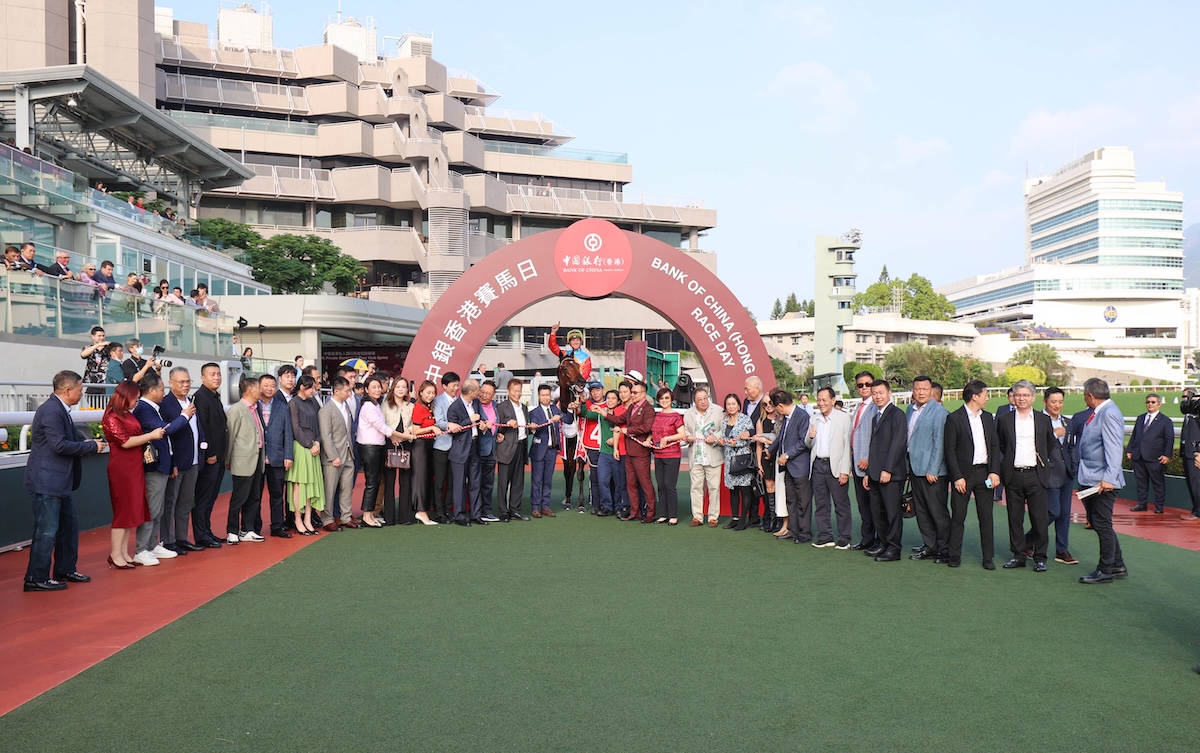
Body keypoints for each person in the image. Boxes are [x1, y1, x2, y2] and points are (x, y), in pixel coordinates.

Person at [23, 371, 107, 590]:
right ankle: (36, 578)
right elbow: (58, 445)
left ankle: (64, 569)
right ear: (67, 390)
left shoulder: (59, 409)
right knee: (47, 531)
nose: (82, 393)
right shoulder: (51, 411)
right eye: (80, 389)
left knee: (68, 528)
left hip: (58, 482)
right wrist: (90, 446)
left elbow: (65, 440)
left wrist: (87, 442)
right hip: (47, 482)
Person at [995, 379, 1062, 573]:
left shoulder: (1043, 420)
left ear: (1033, 397)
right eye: (1018, 395)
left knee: (1039, 518)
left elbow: (1049, 444)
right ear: (1013, 397)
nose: (1021, 398)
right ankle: (1018, 555)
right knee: (1014, 518)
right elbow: (1000, 445)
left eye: (1025, 395)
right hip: (1013, 475)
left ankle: (1040, 557)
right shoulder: (1005, 419)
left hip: (1036, 474)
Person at [132, 372, 191, 565]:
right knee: (152, 508)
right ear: (151, 390)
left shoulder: (153, 408)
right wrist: (184, 416)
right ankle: (141, 549)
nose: (162, 392)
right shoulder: (143, 409)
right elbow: (163, 430)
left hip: (164, 464)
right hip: (154, 466)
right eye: (161, 388)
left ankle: (152, 544)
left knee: (158, 508)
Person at [943, 380, 1001, 570]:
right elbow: (949, 450)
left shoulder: (988, 418)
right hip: (963, 476)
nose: (987, 398)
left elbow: (994, 445)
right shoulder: (954, 418)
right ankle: (954, 555)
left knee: (986, 517)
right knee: (958, 516)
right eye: (985, 394)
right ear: (975, 396)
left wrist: (994, 471)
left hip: (984, 473)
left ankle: (988, 558)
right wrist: (957, 476)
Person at [1076, 378, 1128, 584]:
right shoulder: (1102, 412)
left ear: (1090, 395)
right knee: (1099, 522)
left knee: (1102, 523)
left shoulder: (1109, 414)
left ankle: (1105, 569)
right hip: (1093, 477)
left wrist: (1109, 478)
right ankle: (1117, 564)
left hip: (1102, 481)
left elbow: (1115, 448)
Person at [905, 375, 950, 562]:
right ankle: (930, 545)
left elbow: (939, 443)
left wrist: (933, 468)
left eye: (925, 389)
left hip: (933, 472)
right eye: (917, 389)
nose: (921, 392)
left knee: (937, 512)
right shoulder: (910, 409)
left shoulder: (939, 412)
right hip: (915, 469)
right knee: (922, 511)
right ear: (913, 391)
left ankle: (945, 549)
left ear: (931, 391)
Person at [862, 379, 907, 562]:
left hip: (891, 474)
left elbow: (898, 444)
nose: (878, 396)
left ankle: (894, 549)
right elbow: (874, 447)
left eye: (881, 392)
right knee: (877, 512)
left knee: (892, 512)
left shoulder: (897, 415)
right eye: (875, 393)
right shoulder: (876, 417)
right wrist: (868, 472)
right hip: (874, 474)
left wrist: (887, 469)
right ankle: (883, 544)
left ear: (889, 393)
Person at [160, 367, 203, 555]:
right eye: (181, 382)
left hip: (193, 461)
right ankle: (168, 541)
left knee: (186, 502)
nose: (186, 385)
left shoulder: (191, 401)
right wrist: (172, 462)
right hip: (176, 462)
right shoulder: (165, 404)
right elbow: (167, 433)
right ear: (171, 383)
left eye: (188, 381)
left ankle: (182, 538)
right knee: (170, 502)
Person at [805, 386, 853, 549]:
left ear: (833, 400)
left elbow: (847, 446)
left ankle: (844, 537)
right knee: (821, 503)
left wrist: (845, 470)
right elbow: (808, 443)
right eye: (819, 400)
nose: (821, 403)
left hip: (837, 466)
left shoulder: (843, 418)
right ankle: (825, 536)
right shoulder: (814, 418)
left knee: (841, 503)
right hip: (818, 464)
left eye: (824, 400)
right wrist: (810, 437)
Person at [355, 376, 407, 528]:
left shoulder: (376, 404)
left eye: (379, 387)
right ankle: (366, 515)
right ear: (366, 390)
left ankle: (370, 514)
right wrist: (404, 436)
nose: (377, 390)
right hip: (369, 447)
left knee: (376, 481)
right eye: (373, 387)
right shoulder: (368, 407)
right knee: (372, 482)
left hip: (377, 446)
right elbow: (382, 427)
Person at [606, 372, 657, 523]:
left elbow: (647, 427)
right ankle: (635, 512)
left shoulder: (648, 409)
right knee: (631, 483)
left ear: (643, 393)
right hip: (630, 451)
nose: (632, 395)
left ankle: (650, 513)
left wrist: (627, 431)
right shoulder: (632, 408)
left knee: (645, 483)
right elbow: (619, 419)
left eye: (635, 392)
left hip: (641, 451)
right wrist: (603, 413)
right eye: (632, 392)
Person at [1039, 387, 1078, 564]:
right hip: (1048, 473)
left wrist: (1073, 465)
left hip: (1066, 473)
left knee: (1064, 514)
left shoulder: (1068, 422)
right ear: (1045, 402)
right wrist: (1053, 435)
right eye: (1053, 401)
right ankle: (1030, 538)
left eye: (1060, 402)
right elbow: (1035, 446)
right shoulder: (1037, 420)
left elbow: (1070, 446)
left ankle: (1062, 550)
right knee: (1053, 511)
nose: (1057, 405)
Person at [225, 376, 266, 544]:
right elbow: (231, 436)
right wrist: (228, 460)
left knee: (254, 496)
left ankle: (247, 529)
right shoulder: (237, 409)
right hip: (242, 460)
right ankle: (232, 531)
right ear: (250, 390)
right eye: (259, 388)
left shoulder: (255, 408)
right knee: (239, 497)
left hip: (257, 459)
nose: (261, 391)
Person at [767, 389, 812, 539]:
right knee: (791, 500)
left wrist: (786, 455)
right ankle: (793, 530)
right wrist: (771, 450)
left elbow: (803, 442)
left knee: (803, 502)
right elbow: (782, 437)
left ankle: (804, 532)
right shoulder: (787, 417)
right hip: (788, 467)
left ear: (779, 405)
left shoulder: (802, 416)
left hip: (799, 466)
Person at [192, 363, 228, 548]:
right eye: (212, 374)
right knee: (203, 497)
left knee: (212, 497)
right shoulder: (200, 397)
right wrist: (210, 453)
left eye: (218, 374)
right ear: (202, 377)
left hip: (220, 456)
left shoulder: (214, 396)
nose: (216, 377)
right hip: (210, 457)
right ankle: (201, 535)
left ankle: (207, 531)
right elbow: (203, 427)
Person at [286, 375, 325, 535]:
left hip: (313, 446)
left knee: (311, 485)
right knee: (299, 486)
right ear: (302, 387)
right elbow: (295, 428)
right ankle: (298, 519)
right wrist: (310, 444)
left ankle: (308, 519)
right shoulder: (293, 403)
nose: (314, 390)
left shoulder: (313, 402)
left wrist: (317, 442)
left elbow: (317, 425)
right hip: (301, 448)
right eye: (311, 387)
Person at [318, 376, 359, 531]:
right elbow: (325, 435)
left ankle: (345, 517)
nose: (349, 393)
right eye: (347, 390)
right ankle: (327, 518)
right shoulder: (326, 410)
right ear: (336, 391)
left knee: (347, 488)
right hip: (333, 456)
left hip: (348, 453)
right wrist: (332, 455)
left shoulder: (346, 407)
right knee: (330, 489)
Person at [1126, 392, 1174, 514]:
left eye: (1153, 402)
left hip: (1155, 457)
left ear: (1159, 404)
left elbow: (1169, 439)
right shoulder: (1140, 418)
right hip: (1138, 455)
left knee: (1158, 483)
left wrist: (1167, 455)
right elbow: (1135, 435)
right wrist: (1129, 449)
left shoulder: (1166, 421)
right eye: (1148, 402)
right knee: (1141, 483)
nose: (1150, 404)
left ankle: (1159, 506)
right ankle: (1142, 504)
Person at [258, 373, 294, 538]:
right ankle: (252, 527)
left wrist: (288, 456)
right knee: (254, 495)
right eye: (266, 385)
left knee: (277, 494)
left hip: (277, 457)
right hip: (257, 459)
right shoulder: (253, 406)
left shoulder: (282, 406)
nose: (269, 388)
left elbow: (288, 433)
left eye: (272, 386)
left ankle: (277, 526)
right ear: (259, 387)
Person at [447, 379, 486, 525]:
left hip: (475, 447)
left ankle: (476, 514)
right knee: (459, 485)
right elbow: (454, 431)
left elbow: (480, 419)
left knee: (475, 482)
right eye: (478, 390)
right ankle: (460, 516)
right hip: (460, 450)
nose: (480, 393)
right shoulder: (454, 407)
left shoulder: (476, 403)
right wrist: (470, 420)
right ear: (470, 392)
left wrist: (483, 425)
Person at [683, 387, 724, 527]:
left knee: (714, 488)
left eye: (705, 398)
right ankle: (697, 517)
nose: (703, 402)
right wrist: (687, 437)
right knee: (695, 488)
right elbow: (685, 431)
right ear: (694, 401)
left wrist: (715, 437)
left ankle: (713, 517)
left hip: (713, 455)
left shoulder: (718, 411)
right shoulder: (688, 414)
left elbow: (723, 430)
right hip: (696, 455)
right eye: (699, 399)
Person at [848, 371, 880, 551]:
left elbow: (876, 438)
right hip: (857, 465)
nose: (864, 388)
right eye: (860, 385)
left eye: (868, 384)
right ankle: (867, 538)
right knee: (863, 506)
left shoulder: (876, 407)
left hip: (869, 465)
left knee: (875, 506)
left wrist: (868, 459)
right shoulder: (858, 407)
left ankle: (877, 539)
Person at [381, 377, 418, 525]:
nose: (401, 389)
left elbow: (414, 423)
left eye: (404, 387)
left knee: (406, 480)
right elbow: (381, 423)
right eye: (398, 387)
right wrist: (392, 437)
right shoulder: (385, 404)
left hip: (406, 444)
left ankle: (405, 517)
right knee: (389, 481)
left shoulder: (410, 406)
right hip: (390, 443)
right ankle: (389, 517)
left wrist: (407, 433)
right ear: (393, 388)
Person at [495, 378, 532, 521]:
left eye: (519, 391)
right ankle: (503, 511)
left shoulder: (524, 407)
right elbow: (496, 425)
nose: (517, 393)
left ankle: (515, 510)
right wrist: (505, 424)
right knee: (503, 482)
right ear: (508, 391)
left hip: (521, 447)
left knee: (518, 481)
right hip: (506, 448)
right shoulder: (501, 407)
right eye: (515, 391)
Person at [719, 393, 757, 529]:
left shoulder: (745, 419)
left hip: (742, 459)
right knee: (733, 489)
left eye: (733, 404)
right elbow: (723, 439)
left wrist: (738, 443)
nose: (731, 406)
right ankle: (734, 518)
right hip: (729, 459)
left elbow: (750, 437)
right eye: (728, 404)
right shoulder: (724, 421)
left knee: (745, 489)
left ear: (739, 405)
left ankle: (742, 519)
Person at [408, 380, 443, 525]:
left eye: (433, 393)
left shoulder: (430, 407)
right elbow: (416, 430)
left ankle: (424, 511)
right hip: (420, 446)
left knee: (427, 479)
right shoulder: (418, 407)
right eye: (428, 392)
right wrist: (431, 428)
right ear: (420, 392)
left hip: (429, 445)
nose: (431, 395)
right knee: (420, 480)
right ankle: (421, 512)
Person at [650, 387, 686, 525]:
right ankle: (663, 514)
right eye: (661, 398)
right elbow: (652, 432)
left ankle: (673, 515)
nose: (664, 401)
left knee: (669, 485)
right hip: (658, 455)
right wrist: (649, 439)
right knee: (660, 485)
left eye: (667, 398)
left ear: (671, 400)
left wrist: (667, 438)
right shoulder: (656, 415)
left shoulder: (676, 416)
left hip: (672, 455)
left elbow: (682, 434)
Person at [528, 383, 562, 518]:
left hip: (552, 450)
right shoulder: (534, 412)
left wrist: (565, 414)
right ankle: (535, 507)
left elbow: (569, 418)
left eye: (548, 395)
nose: (546, 398)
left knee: (548, 479)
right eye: (543, 395)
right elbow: (534, 424)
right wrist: (534, 426)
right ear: (538, 396)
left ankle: (545, 506)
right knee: (537, 479)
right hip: (539, 450)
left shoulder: (555, 409)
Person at [431, 372, 460, 524]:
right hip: (441, 446)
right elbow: (438, 421)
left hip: (456, 446)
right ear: (444, 386)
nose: (456, 388)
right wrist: (449, 425)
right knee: (440, 481)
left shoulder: (458, 401)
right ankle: (439, 511)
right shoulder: (437, 401)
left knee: (452, 480)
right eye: (453, 385)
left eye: (457, 385)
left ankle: (448, 509)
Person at [577, 381, 605, 515]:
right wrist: (581, 402)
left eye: (598, 390)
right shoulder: (588, 404)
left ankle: (608, 504)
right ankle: (596, 505)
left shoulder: (610, 403)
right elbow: (581, 412)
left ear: (603, 390)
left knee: (607, 477)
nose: (595, 393)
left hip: (606, 447)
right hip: (592, 446)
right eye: (593, 391)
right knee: (594, 477)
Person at [476, 381, 501, 522]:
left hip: (492, 451)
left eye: (488, 393)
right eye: (482, 392)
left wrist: (499, 433)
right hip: (477, 450)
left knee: (488, 483)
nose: (484, 395)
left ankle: (487, 510)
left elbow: (498, 426)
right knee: (476, 483)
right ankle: (476, 511)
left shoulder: (497, 407)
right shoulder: (474, 406)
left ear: (493, 395)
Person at [80, 326, 113, 407]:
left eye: (103, 336)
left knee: (105, 406)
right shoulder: (88, 348)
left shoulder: (108, 349)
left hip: (105, 382)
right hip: (92, 382)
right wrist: (97, 345)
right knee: (93, 405)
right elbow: (83, 354)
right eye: (99, 336)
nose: (101, 338)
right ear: (93, 337)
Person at [1181, 388, 1200, 522]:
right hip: (1186, 452)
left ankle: (1198, 512)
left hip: (1195, 453)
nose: (1184, 400)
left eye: (1187, 397)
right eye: (1183, 397)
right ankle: (1195, 509)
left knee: (1196, 484)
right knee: (1191, 483)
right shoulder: (1188, 415)